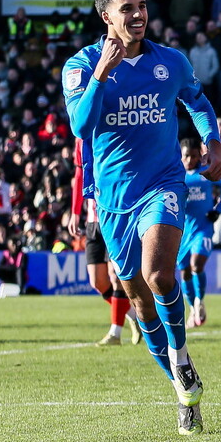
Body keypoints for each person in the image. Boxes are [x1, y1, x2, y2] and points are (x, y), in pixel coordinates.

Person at [62, 0, 221, 436]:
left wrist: (211, 143)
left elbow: (197, 100)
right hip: (113, 200)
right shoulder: (80, 65)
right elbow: (81, 124)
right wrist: (102, 74)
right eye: (126, 8)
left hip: (163, 183)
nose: (138, 14)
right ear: (105, 16)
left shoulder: (169, 61)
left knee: (159, 275)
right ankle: (182, 386)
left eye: (141, 5)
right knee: (138, 302)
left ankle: (179, 355)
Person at [70, 137, 141, 347]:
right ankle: (136, 317)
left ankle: (115, 333)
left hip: (116, 214)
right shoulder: (80, 138)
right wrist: (75, 212)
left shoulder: (114, 127)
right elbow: (79, 174)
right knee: (97, 281)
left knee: (115, 276)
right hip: (93, 221)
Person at [179, 137, 221, 328]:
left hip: (203, 229)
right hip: (182, 232)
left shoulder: (206, 171)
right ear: (181, 156)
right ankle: (193, 310)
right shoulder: (176, 175)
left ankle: (199, 301)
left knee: (196, 264)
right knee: (184, 272)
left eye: (194, 156)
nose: (190, 160)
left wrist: (218, 210)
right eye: (186, 156)